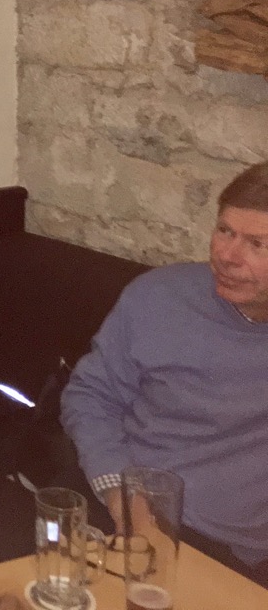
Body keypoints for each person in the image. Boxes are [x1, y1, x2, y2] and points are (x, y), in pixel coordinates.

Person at [61, 160, 268, 587]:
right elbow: (90, 395)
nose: (226, 256)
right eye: (224, 231)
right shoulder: (160, 297)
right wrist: (121, 494)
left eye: (257, 244)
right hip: (124, 502)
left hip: (234, 550)